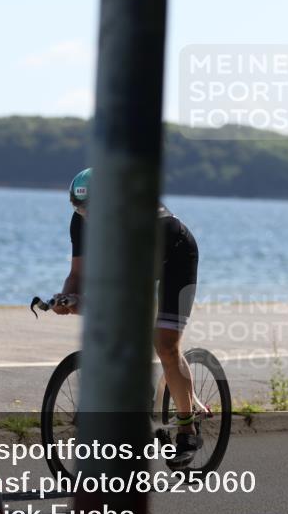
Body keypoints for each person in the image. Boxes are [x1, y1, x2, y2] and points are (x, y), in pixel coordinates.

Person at [52, 167, 202, 467]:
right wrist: (65, 297)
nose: (85, 215)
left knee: (165, 344)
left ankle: (188, 429)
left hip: (175, 257)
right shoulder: (81, 220)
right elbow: (77, 274)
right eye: (79, 209)